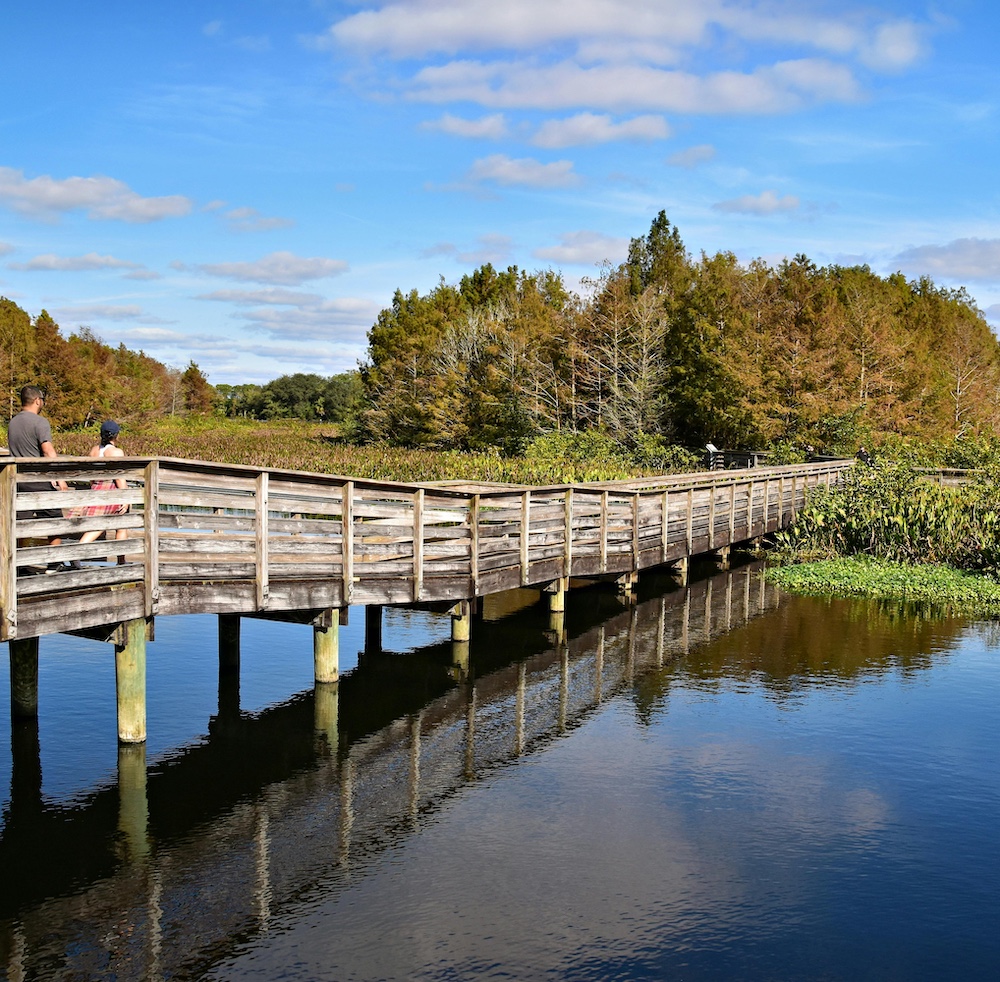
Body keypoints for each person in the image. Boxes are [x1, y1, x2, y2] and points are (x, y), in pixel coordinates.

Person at [7, 385, 70, 570]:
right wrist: (60, 478)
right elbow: (48, 451)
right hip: (38, 481)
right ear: (37, 400)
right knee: (55, 520)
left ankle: (19, 565)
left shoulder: (13, 422)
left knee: (21, 524)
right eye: (42, 400)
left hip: (18, 481)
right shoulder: (40, 422)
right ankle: (54, 563)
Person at [77, 420, 129, 562]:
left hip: (96, 489)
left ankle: (78, 551)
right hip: (111, 491)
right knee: (117, 525)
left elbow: (90, 476)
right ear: (116, 435)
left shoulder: (93, 451)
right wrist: (125, 497)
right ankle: (78, 550)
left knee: (106, 524)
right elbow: (119, 477)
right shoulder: (116, 452)